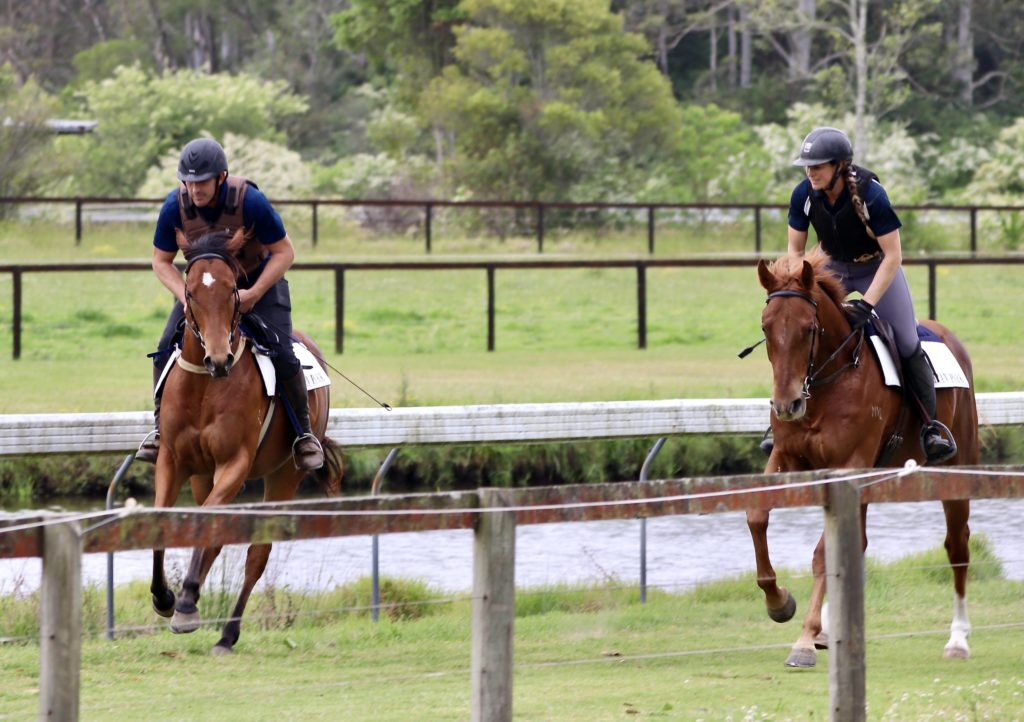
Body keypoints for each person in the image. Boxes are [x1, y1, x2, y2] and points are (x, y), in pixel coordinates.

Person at [764, 126, 955, 463]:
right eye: (808, 166)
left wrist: (867, 305)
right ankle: (783, 421)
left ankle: (931, 426)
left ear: (840, 166)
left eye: (818, 166)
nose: (811, 173)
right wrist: (798, 289)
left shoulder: (871, 194)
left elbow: (894, 256)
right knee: (796, 330)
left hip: (876, 266)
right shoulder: (804, 195)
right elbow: (795, 251)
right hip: (831, 265)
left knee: (908, 341)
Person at [135, 137, 325, 470]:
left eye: (202, 182)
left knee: (282, 350)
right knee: (165, 346)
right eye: (189, 182)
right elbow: (160, 261)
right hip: (204, 295)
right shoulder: (173, 207)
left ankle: (303, 435)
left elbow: (285, 252)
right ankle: (158, 431)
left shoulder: (250, 202)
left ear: (221, 178)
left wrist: (253, 294)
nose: (195, 190)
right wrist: (185, 297)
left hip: (258, 285)